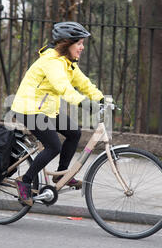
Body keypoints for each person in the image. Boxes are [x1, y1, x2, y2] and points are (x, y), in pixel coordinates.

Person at [10, 21, 104, 206]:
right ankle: (25, 181)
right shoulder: (51, 61)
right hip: (28, 109)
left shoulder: (68, 63)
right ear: (68, 43)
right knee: (53, 146)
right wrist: (84, 104)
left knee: (74, 132)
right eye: (79, 43)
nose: (82, 48)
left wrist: (100, 98)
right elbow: (63, 87)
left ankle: (62, 174)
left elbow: (82, 82)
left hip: (45, 110)